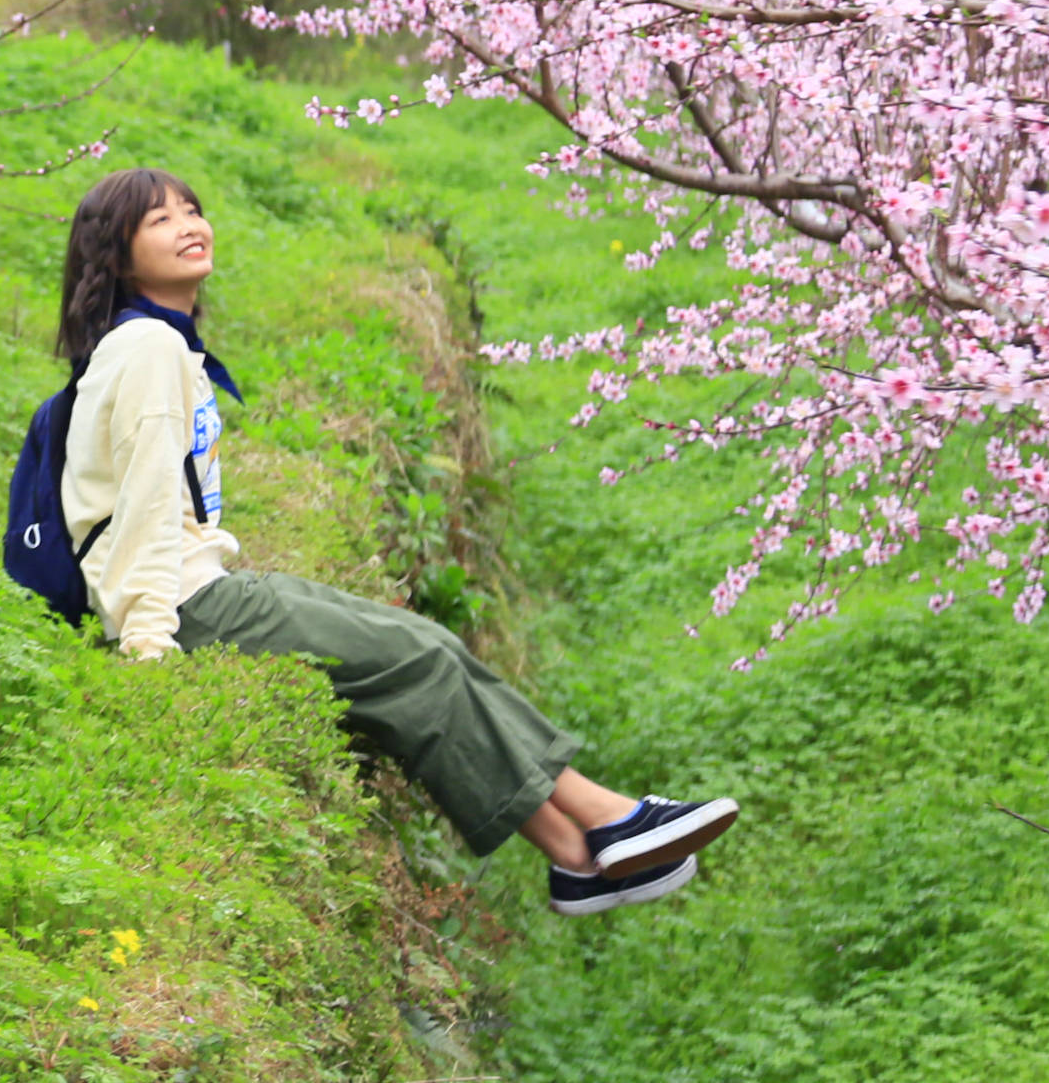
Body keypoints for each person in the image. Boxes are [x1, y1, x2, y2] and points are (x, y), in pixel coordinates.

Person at [56, 166, 737, 914]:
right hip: (189, 605)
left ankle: (577, 855)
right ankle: (606, 821)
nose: (190, 224)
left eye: (193, 209)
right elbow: (148, 503)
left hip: (203, 586)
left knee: (426, 650)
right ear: (118, 258)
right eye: (161, 221)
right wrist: (150, 654)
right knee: (419, 658)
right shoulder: (149, 348)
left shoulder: (159, 344)